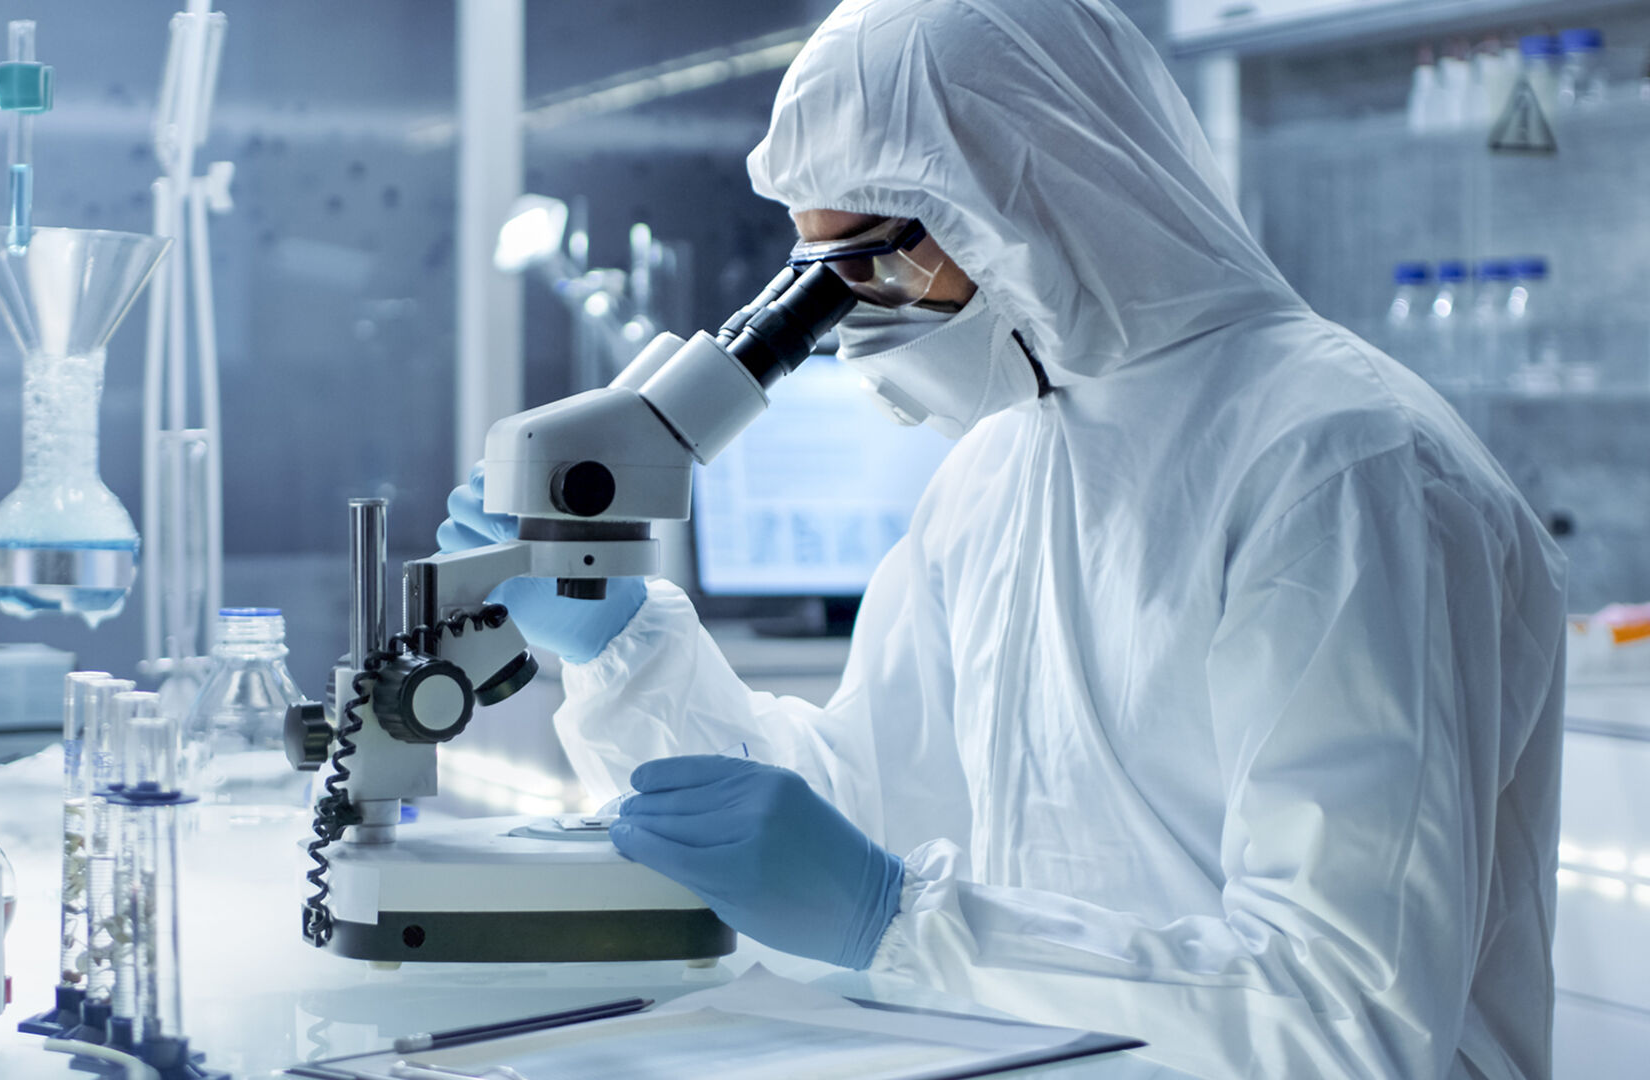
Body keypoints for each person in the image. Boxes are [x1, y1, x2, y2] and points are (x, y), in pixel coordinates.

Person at [437, 1, 1565, 1076]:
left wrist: (894, 922)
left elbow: (1342, 1025)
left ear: (1038, 202)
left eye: (876, 261)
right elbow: (853, 818)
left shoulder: (1343, 465)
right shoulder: (1000, 468)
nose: (860, 322)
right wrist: (625, 654)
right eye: (824, 277)